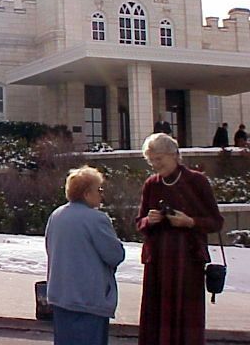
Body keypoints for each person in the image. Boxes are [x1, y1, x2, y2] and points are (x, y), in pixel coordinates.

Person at [136, 133, 224, 345]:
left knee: (186, 320)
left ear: (174, 155)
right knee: (156, 318)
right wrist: (149, 220)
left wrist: (190, 222)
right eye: (151, 160)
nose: (155, 165)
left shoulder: (197, 181)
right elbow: (139, 223)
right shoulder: (151, 184)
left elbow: (216, 222)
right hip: (158, 262)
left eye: (159, 159)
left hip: (187, 263)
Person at [45, 166, 125, 345]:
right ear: (87, 194)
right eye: (99, 190)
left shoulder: (56, 215)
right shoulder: (97, 219)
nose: (101, 195)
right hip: (89, 298)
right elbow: (114, 255)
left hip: (61, 295)